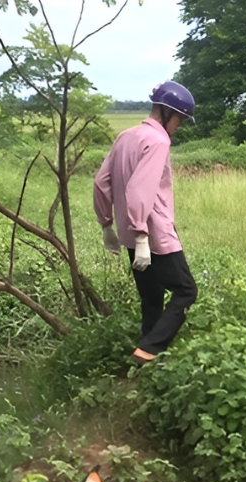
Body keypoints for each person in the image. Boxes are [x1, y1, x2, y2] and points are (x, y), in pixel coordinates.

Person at [93, 81, 198, 366]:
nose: (179, 126)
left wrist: (107, 225)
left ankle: (145, 361)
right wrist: (142, 235)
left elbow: (102, 182)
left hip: (131, 236)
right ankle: (149, 350)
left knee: (151, 299)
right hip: (154, 236)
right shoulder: (159, 141)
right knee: (186, 291)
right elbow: (139, 189)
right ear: (166, 112)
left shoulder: (126, 136)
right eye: (180, 119)